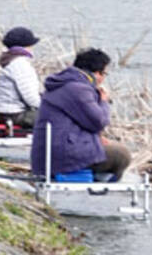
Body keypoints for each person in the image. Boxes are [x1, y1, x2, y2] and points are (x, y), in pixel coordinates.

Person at [30, 48, 130, 182]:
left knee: (107, 148)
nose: (103, 79)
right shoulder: (78, 89)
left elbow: (81, 122)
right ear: (97, 73)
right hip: (62, 157)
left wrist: (96, 139)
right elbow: (99, 121)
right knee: (122, 155)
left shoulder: (63, 84)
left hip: (50, 154)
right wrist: (104, 101)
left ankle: (98, 177)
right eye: (104, 73)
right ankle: (103, 186)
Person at [0, 27, 42, 130]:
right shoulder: (20, 65)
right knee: (59, 116)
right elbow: (32, 99)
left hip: (2, 113)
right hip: (13, 115)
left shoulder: (11, 61)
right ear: (27, 46)